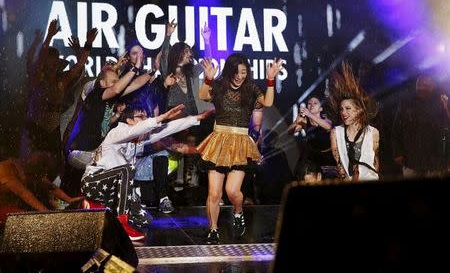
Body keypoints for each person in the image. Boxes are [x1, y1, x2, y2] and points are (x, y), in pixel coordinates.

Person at [81, 103, 211, 238]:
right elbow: (139, 129)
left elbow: (167, 129)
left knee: (144, 220)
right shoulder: (117, 132)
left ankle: (102, 211)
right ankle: (122, 223)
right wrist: (158, 118)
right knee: (127, 169)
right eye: (140, 117)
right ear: (129, 121)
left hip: (113, 189)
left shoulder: (141, 139)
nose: (145, 119)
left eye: (146, 116)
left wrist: (195, 119)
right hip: (94, 182)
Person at [197, 54, 283, 244]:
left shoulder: (250, 88)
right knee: (214, 193)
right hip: (219, 140)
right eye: (236, 71)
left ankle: (238, 211)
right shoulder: (219, 85)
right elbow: (203, 95)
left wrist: (270, 79)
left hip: (240, 142)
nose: (240, 75)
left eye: (243, 71)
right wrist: (208, 78)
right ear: (229, 71)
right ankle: (213, 230)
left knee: (233, 191)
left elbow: (267, 103)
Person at [22, 20, 98, 171]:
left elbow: (79, 66)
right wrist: (49, 36)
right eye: (49, 64)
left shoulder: (62, 82)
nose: (53, 66)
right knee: (32, 168)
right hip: (34, 130)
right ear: (44, 65)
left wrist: (88, 44)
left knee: (53, 167)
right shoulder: (37, 80)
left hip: (53, 132)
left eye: (55, 64)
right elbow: (39, 59)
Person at [327, 62, 380, 181]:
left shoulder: (373, 132)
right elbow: (339, 164)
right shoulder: (336, 133)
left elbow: (375, 162)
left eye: (348, 109)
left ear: (359, 110)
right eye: (341, 109)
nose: (343, 113)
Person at [0, 152, 83, 225]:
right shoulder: (5, 169)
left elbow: (50, 187)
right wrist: (46, 212)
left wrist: (69, 199)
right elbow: (23, 193)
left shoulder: (31, 169)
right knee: (23, 219)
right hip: (3, 207)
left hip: (13, 206)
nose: (44, 176)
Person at [392, 75, 450, 178]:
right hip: (411, 159)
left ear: (432, 87)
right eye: (420, 85)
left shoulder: (441, 103)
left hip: (434, 161)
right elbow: (396, 129)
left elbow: (447, 128)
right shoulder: (406, 103)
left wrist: (446, 109)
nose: (422, 88)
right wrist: (398, 152)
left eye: (426, 85)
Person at [288, 96, 334, 182]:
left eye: (315, 103)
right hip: (312, 157)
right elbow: (289, 132)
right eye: (309, 103)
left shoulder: (326, 120)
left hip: (327, 156)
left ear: (320, 108)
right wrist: (296, 121)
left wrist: (309, 114)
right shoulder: (305, 121)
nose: (311, 105)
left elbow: (328, 127)